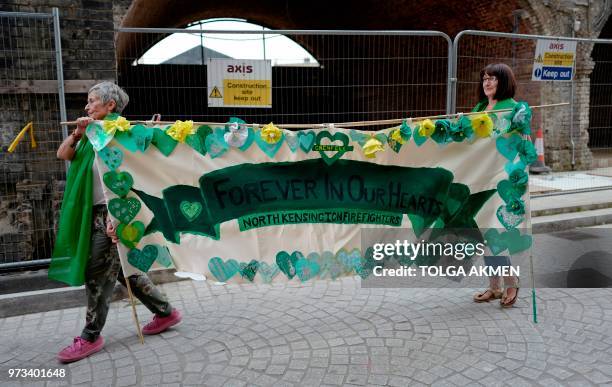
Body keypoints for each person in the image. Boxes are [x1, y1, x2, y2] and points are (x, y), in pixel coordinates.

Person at [53, 82, 182, 363]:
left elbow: (134, 178)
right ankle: (165, 312)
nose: (87, 107)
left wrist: (119, 216)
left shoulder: (120, 133)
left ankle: (90, 335)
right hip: (94, 212)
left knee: (97, 272)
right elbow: (63, 154)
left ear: (110, 105)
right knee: (127, 270)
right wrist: (77, 133)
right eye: (87, 102)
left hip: (115, 213)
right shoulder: (91, 133)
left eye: (92, 101)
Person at [471, 63, 520, 308]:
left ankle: (511, 282)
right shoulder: (480, 108)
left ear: (504, 81)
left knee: (494, 232)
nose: (487, 83)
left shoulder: (512, 109)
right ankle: (494, 286)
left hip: (500, 179)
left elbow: (518, 145)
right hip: (479, 178)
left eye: (493, 79)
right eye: (485, 79)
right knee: (482, 233)